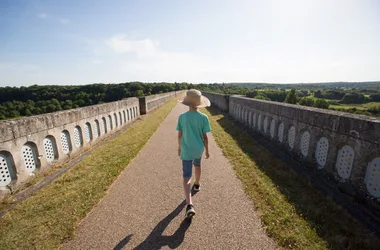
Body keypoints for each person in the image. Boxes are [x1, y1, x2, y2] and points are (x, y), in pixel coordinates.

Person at [176, 89, 211, 219]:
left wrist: (179, 148)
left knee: (186, 177)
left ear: (187, 103)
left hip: (186, 149)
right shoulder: (204, 118)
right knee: (197, 165)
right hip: (198, 149)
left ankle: (189, 205)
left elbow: (179, 135)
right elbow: (205, 137)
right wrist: (207, 150)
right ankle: (197, 184)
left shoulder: (182, 117)